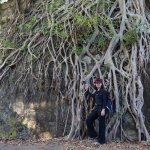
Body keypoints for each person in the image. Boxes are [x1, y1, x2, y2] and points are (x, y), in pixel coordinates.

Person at [85, 78, 106, 145]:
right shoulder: (96, 92)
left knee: (101, 125)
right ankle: (93, 135)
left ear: (101, 83)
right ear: (95, 84)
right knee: (88, 120)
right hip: (96, 108)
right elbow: (92, 96)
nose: (98, 84)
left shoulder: (103, 91)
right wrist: (87, 91)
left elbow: (104, 101)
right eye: (97, 83)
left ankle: (102, 141)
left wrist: (103, 109)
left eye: (99, 83)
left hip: (101, 109)